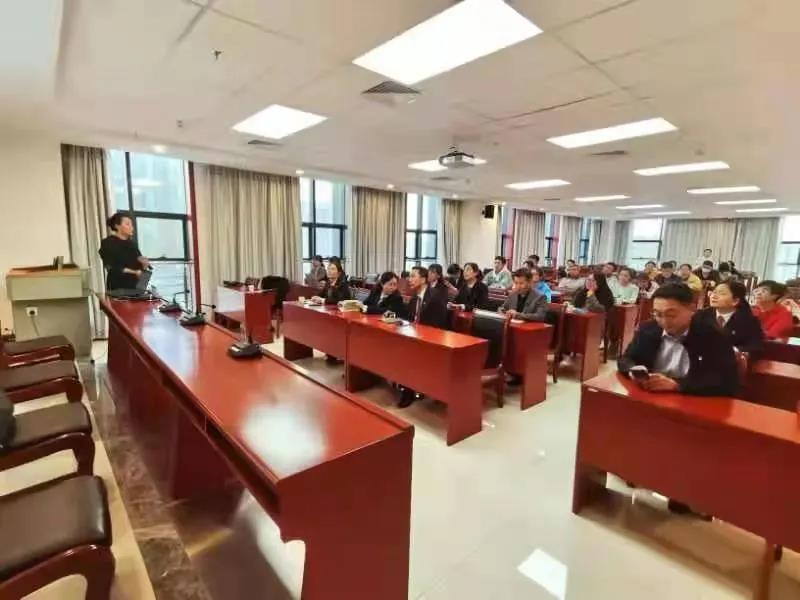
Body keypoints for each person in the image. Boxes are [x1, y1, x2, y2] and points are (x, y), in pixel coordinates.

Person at [619, 283, 738, 397]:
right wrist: (632, 370)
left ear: (692, 309)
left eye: (671, 315)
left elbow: (725, 382)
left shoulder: (713, 337)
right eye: (658, 314)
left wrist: (677, 385)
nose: (664, 321)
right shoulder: (648, 329)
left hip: (690, 401)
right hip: (649, 396)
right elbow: (626, 359)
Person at [400, 266, 449, 408]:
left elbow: (439, 325)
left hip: (432, 340)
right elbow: (410, 318)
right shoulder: (415, 297)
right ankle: (405, 385)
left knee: (407, 354)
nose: (409, 279)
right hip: (416, 336)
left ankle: (408, 391)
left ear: (423, 279)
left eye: (413, 276)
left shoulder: (435, 297)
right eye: (409, 276)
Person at [696, 280, 764, 356]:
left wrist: (734, 351)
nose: (714, 296)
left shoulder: (749, 321)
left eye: (722, 293)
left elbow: (755, 346)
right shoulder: (701, 315)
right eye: (714, 292)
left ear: (735, 301)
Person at [99, 212, 150, 291]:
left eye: (132, 225)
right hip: (118, 287)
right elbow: (111, 267)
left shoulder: (132, 244)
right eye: (127, 224)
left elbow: (142, 272)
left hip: (137, 288)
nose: (131, 227)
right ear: (117, 226)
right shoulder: (108, 243)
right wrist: (135, 272)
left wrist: (144, 265)